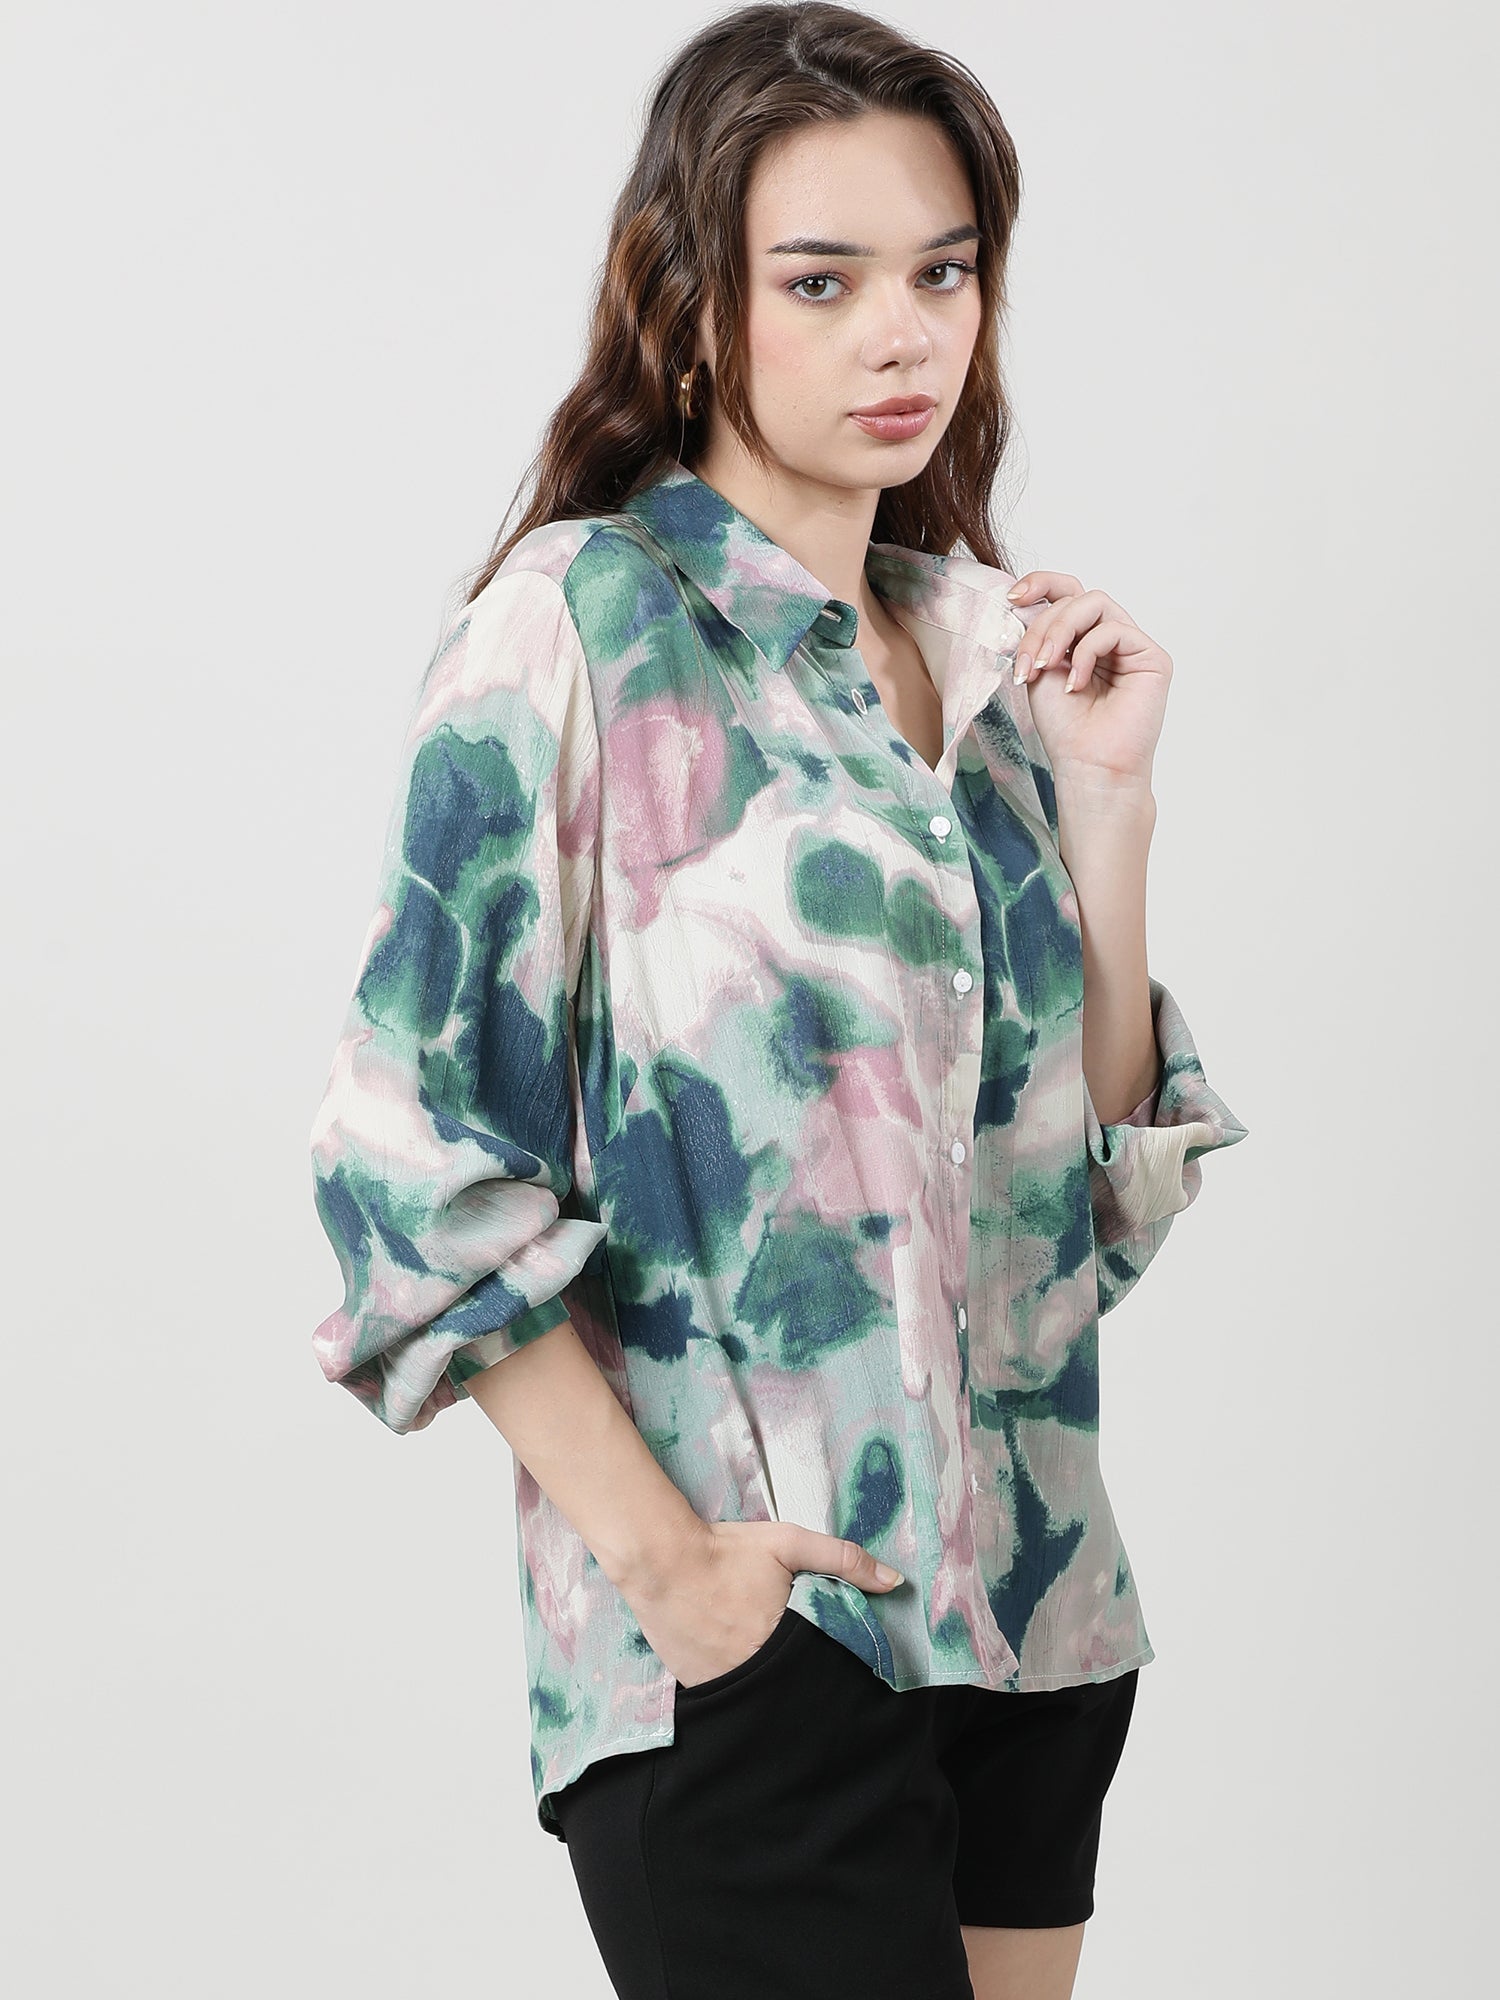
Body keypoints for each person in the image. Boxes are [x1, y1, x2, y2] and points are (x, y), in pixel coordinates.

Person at [306, 6, 1247, 1996]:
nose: (903, 335)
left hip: (1037, 1631)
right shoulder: (572, 633)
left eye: (943, 273)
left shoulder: (983, 666)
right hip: (758, 1650)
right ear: (697, 308)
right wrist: (678, 1573)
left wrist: (1109, 810)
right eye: (823, 282)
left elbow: (1079, 1217)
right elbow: (405, 1164)